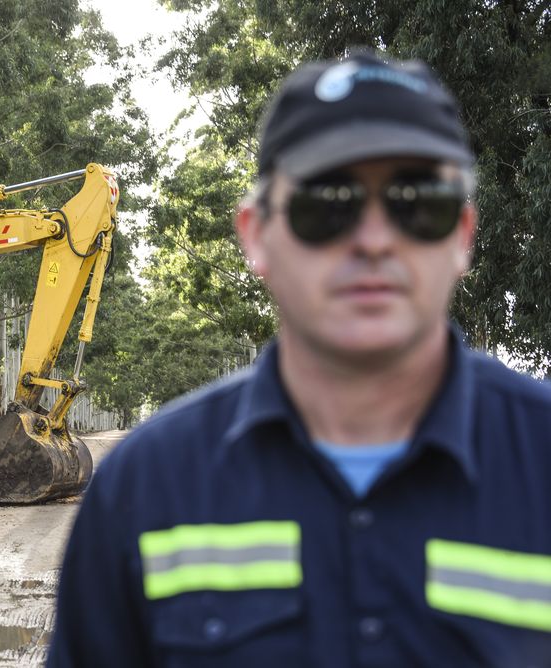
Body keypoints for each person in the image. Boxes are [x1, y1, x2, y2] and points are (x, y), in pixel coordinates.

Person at [47, 49, 551, 667]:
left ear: (464, 234)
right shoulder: (146, 489)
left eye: (418, 202)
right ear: (256, 233)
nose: (372, 240)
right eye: (326, 205)